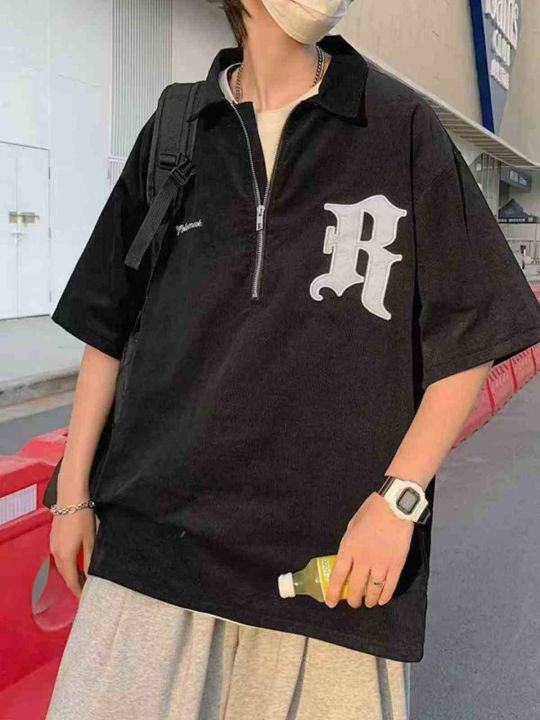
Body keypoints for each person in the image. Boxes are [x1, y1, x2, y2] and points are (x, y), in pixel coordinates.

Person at [45, 1, 540, 719]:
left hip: (327, 576)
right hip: (153, 554)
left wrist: (398, 502)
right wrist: (72, 497)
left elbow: (470, 328)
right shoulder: (178, 131)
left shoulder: (396, 126)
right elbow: (107, 326)